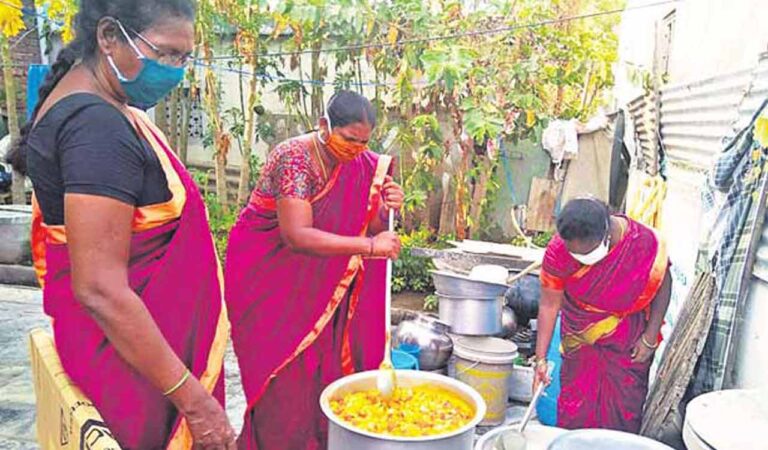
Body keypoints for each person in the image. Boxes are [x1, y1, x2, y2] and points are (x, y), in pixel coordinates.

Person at [6, 1, 235, 448]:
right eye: (167, 54)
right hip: (133, 369)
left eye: (185, 58)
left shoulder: (101, 103)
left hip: (136, 352)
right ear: (108, 37)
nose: (177, 71)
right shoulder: (96, 130)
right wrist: (195, 401)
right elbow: (100, 288)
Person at [226, 90, 404, 450]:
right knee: (282, 379)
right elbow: (297, 236)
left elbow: (371, 225)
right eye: (349, 139)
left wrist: (388, 207)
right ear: (324, 126)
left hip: (323, 280)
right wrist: (370, 248)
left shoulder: (363, 164)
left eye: (364, 142)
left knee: (326, 368)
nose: (357, 149)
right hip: (270, 277)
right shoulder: (294, 158)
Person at [532, 197, 671, 433]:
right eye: (572, 253)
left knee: (624, 408)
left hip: (627, 340)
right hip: (579, 338)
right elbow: (548, 305)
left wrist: (649, 338)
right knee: (576, 406)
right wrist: (541, 359)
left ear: (606, 236)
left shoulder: (642, 243)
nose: (577, 258)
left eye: (585, 253)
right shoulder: (558, 251)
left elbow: (662, 284)